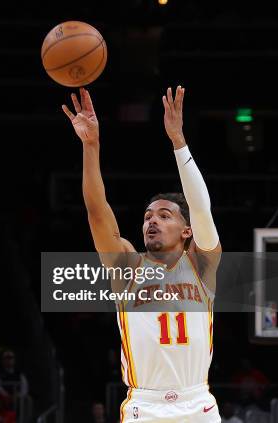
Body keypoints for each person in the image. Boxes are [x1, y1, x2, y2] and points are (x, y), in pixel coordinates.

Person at [62, 86, 221, 422]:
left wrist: (179, 142)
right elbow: (96, 210)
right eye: (148, 216)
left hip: (198, 404)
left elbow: (201, 208)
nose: (152, 221)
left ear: (186, 231)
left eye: (165, 216)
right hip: (144, 406)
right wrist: (91, 146)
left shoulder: (202, 264)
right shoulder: (127, 267)